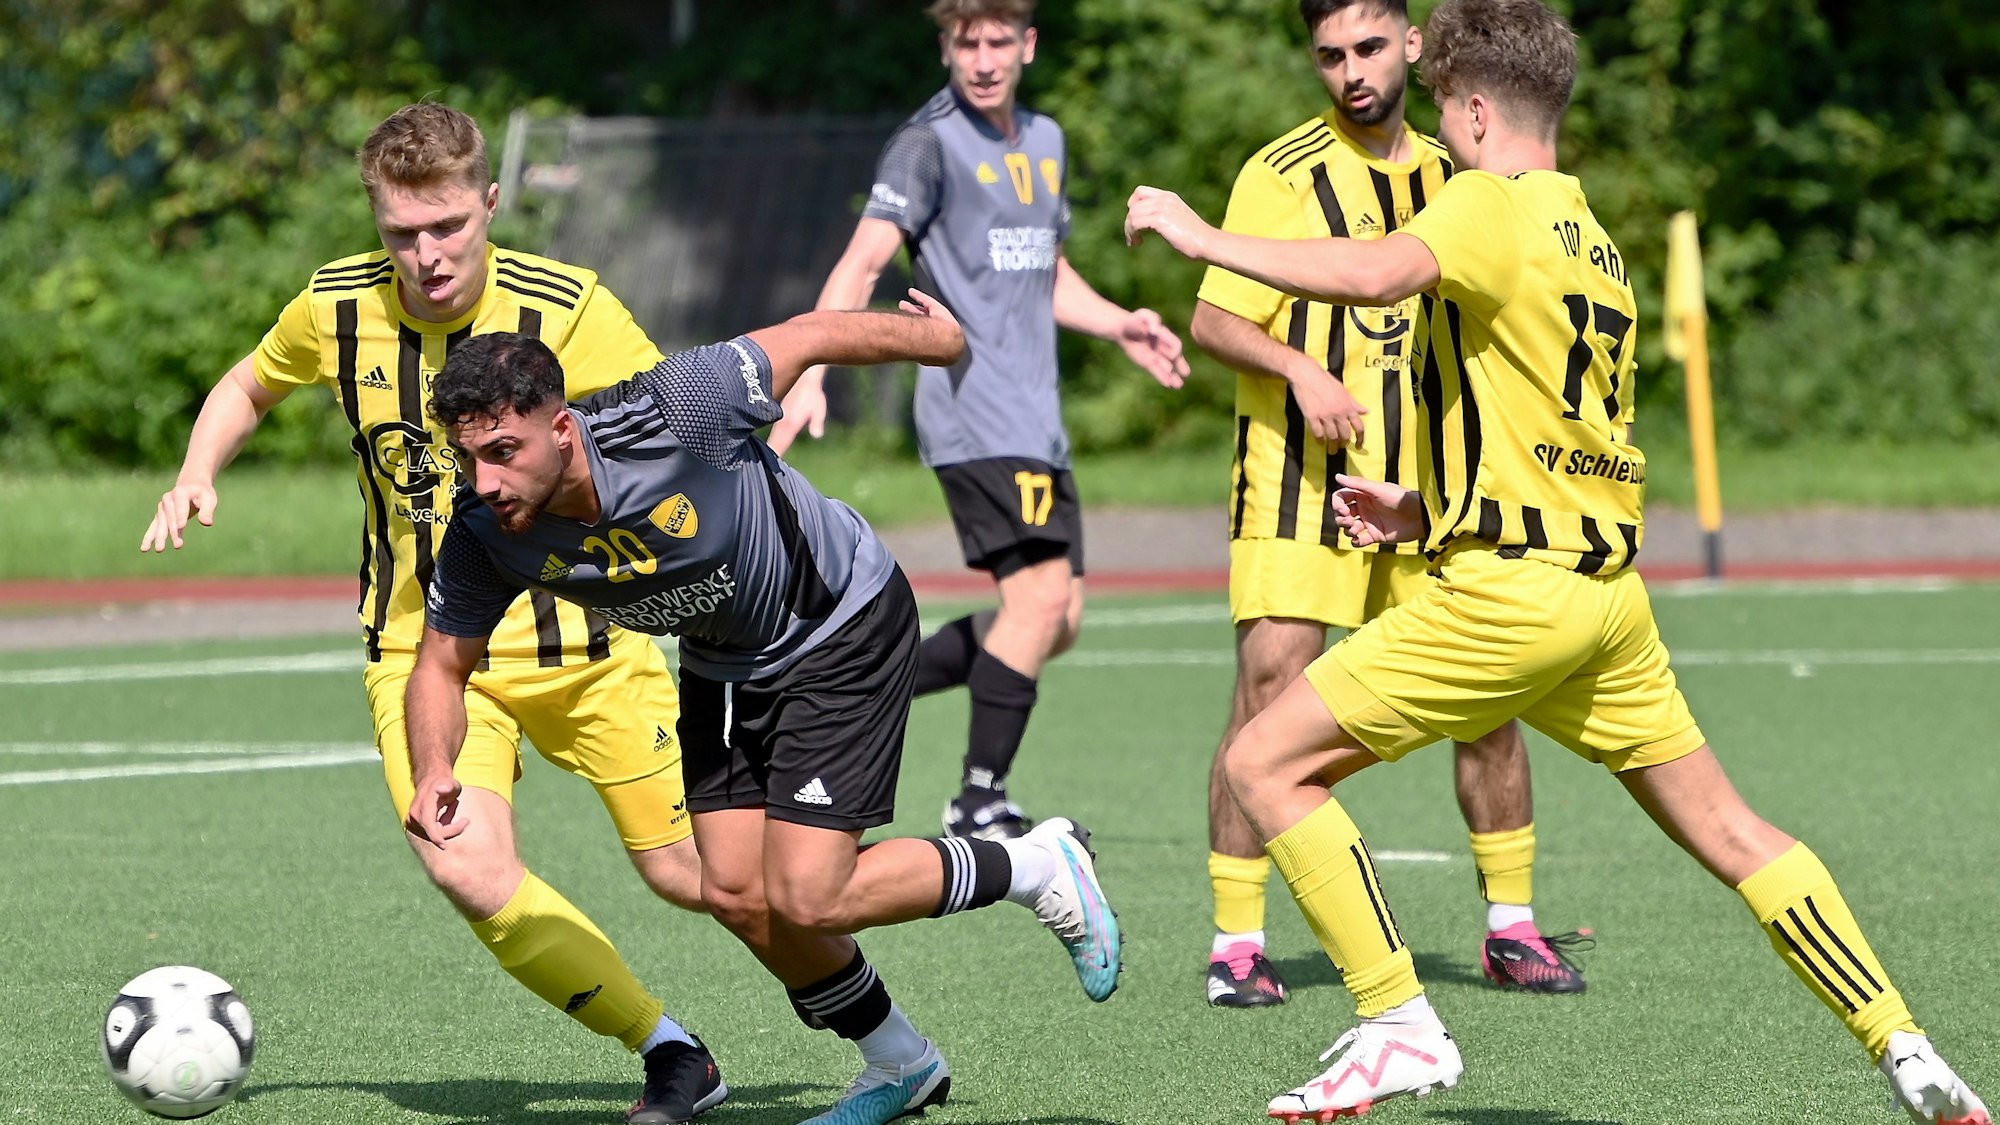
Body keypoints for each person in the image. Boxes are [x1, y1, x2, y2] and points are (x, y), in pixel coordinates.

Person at [1124, 0, 1991, 1120]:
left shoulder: (1488, 202)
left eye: (1443, 105)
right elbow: (1554, 440)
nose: (1442, 127)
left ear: (1475, 109)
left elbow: (1377, 274)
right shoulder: (1594, 238)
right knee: (1734, 833)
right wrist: (1426, 511)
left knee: (1261, 764)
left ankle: (1395, 1022)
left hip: (1508, 599)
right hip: (1606, 605)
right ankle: (1903, 1045)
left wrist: (1204, 239)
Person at [140, 104, 724, 1125]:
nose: (427, 253)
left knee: (695, 876)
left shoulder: (567, 306)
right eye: (402, 233)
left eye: (448, 225)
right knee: (469, 868)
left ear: (489, 204)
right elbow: (249, 381)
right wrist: (195, 470)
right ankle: (669, 1051)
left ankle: (974, 908)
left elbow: (667, 415)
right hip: (424, 650)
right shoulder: (335, 308)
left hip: (587, 644)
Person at [409, 294, 1123, 1125]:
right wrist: (433, 767)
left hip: (839, 619)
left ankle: (1037, 866)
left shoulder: (679, 407)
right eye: (470, 460)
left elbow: (813, 334)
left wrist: (946, 339)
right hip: (722, 662)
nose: (487, 481)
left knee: (811, 896)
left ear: (562, 429)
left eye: (504, 451)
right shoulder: (486, 530)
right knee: (739, 893)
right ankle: (901, 1060)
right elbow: (439, 666)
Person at [1191, 0, 1583, 1010]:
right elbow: (1212, 319)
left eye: (1368, 47)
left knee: (1486, 701)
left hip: (1425, 492)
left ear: (1412, 43)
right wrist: (1299, 371)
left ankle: (1511, 927)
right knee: (1268, 690)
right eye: (1329, 56)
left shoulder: (1460, 172)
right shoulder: (1278, 173)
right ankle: (1236, 941)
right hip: (1297, 478)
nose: (1350, 71)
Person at [768, 0, 1190, 842]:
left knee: (1055, 620)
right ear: (947, 48)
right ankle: (979, 799)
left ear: (1029, 44)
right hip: (974, 415)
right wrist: (808, 367)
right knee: (1035, 602)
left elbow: (1046, 267)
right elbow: (862, 263)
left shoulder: (1045, 139)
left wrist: (1120, 322)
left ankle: (842, 675)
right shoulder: (927, 146)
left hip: (1037, 420)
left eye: (1002, 41)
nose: (986, 58)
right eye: (969, 43)